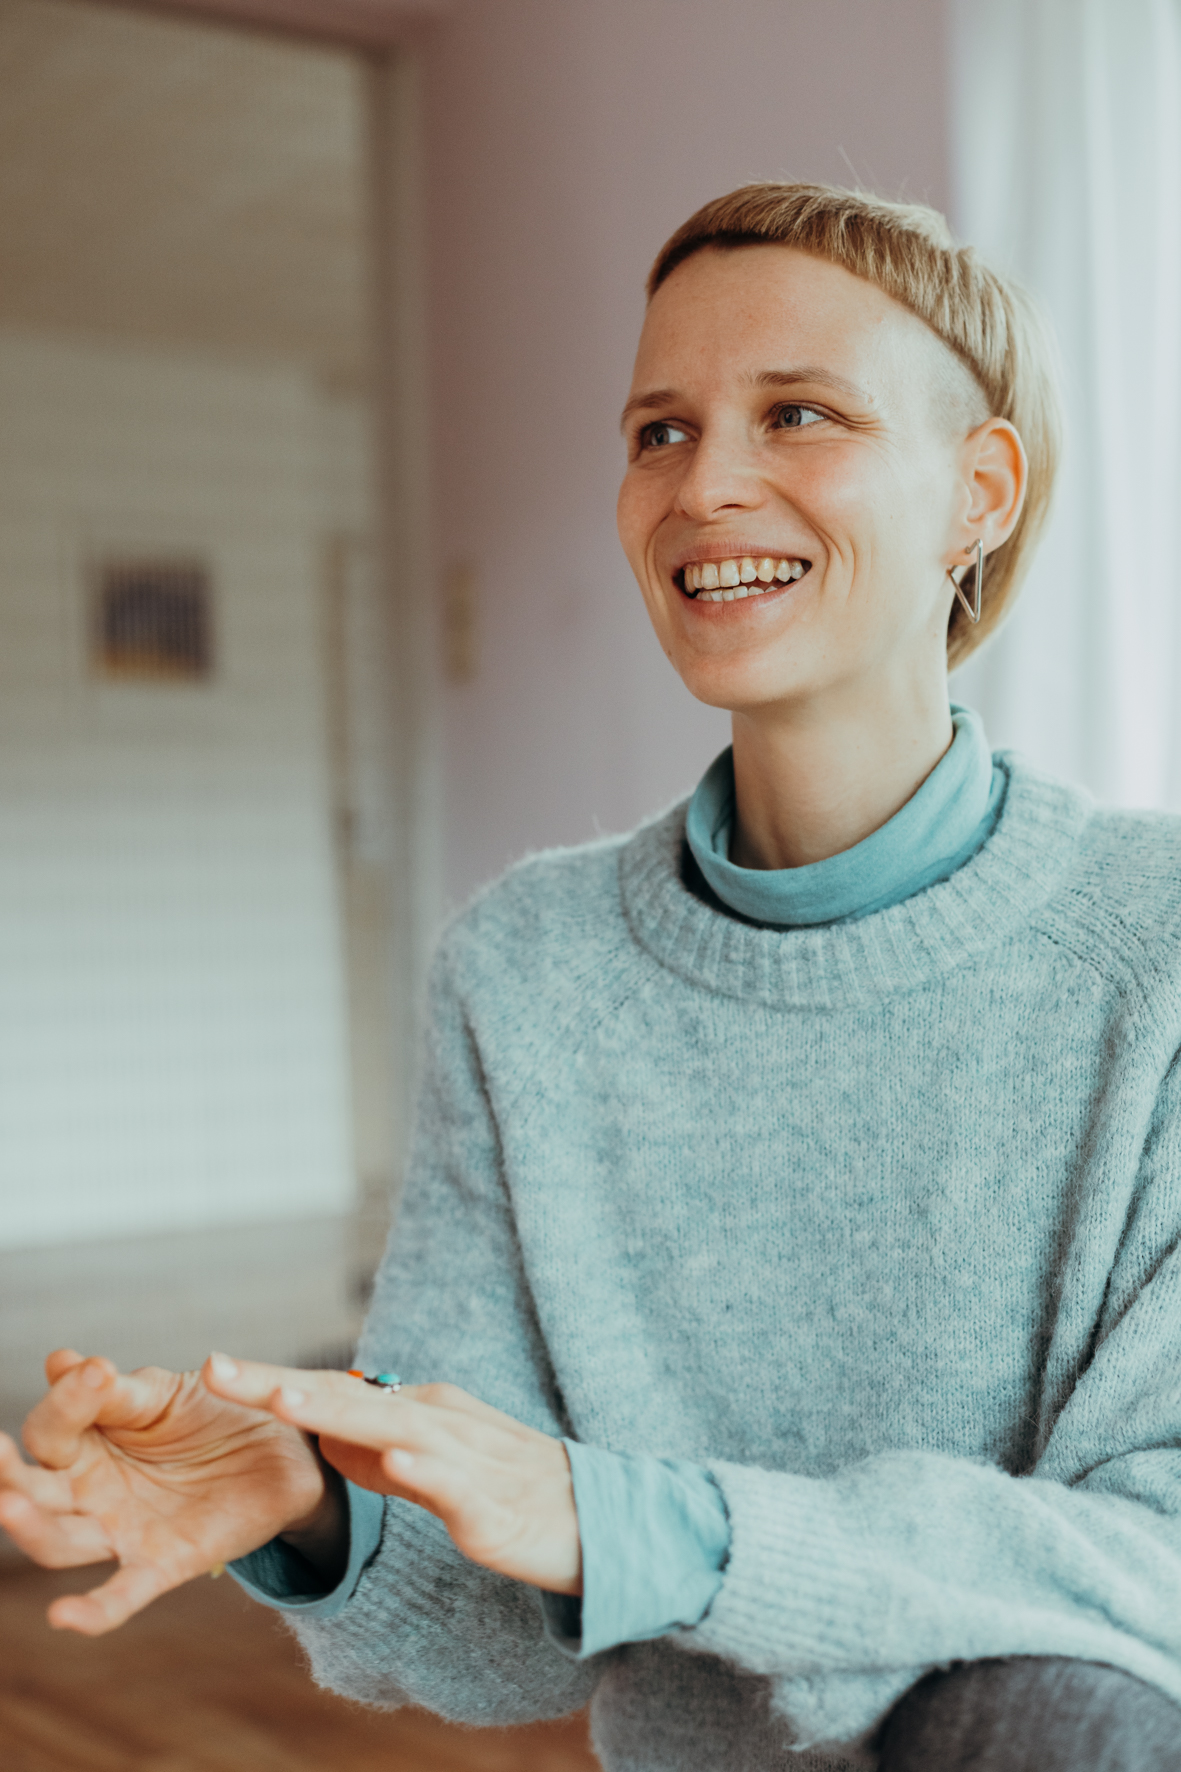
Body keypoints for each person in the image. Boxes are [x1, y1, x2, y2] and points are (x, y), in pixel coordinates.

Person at [3, 183, 1181, 1772]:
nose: (709, 486)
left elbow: (1152, 1564)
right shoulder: (527, 971)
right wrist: (312, 1501)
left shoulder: (1153, 946)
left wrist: (647, 1519)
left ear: (978, 493)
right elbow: (507, 1615)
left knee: (1041, 1707)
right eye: (659, 432)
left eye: (799, 415)